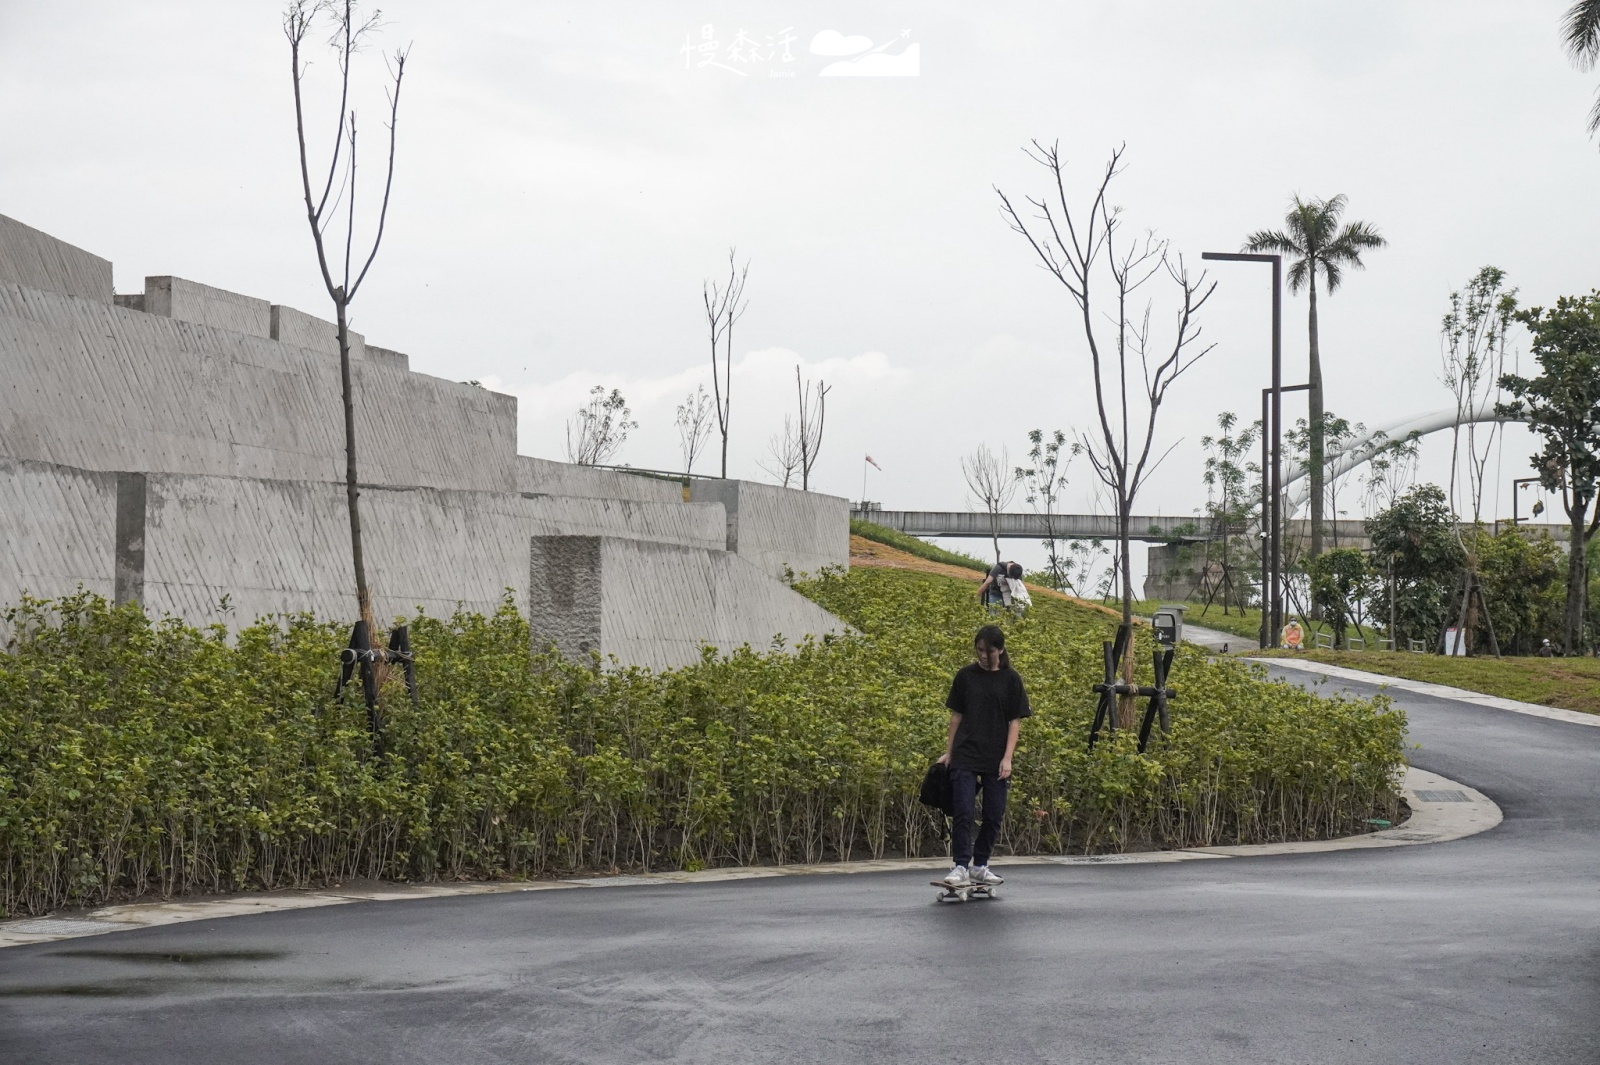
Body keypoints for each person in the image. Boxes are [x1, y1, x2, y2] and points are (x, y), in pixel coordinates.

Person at [937, 624, 1031, 890]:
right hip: (966, 752)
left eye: (987, 651)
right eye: (979, 650)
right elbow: (956, 717)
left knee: (993, 813)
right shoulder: (965, 676)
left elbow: (1015, 721)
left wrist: (1008, 757)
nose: (982, 655)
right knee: (964, 811)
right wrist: (950, 752)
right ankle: (960, 865)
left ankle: (980, 865)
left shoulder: (1011, 680)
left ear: (1000, 650)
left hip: (996, 755)